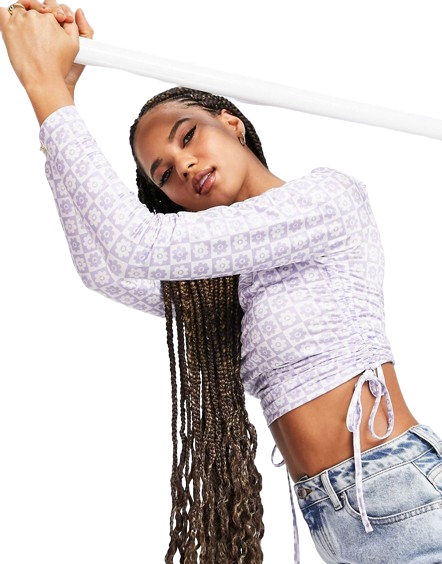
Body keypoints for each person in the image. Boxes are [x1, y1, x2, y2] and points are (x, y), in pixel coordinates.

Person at [1, 3, 441, 563]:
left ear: (231, 123)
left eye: (188, 136)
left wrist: (47, 93)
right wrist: (57, 100)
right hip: (337, 514)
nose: (183, 165)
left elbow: (134, 244)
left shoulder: (326, 199)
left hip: (400, 489)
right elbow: (104, 269)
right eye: (164, 174)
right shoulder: (229, 278)